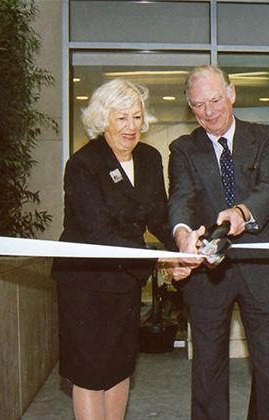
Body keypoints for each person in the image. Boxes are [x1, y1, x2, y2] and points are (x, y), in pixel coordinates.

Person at [51, 79, 190, 420]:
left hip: (125, 278)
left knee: (119, 364)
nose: (132, 127)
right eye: (122, 118)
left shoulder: (149, 157)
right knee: (90, 371)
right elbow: (99, 232)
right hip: (85, 282)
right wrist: (159, 258)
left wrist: (182, 244)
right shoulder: (84, 164)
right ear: (103, 120)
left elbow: (159, 215)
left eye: (137, 117)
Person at [167, 65, 269, 420]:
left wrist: (242, 211)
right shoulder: (182, 148)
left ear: (231, 93)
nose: (208, 112)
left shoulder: (266, 137)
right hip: (207, 274)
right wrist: (182, 236)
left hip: (264, 270)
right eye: (198, 105)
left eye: (214, 100)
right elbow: (180, 198)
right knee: (206, 369)